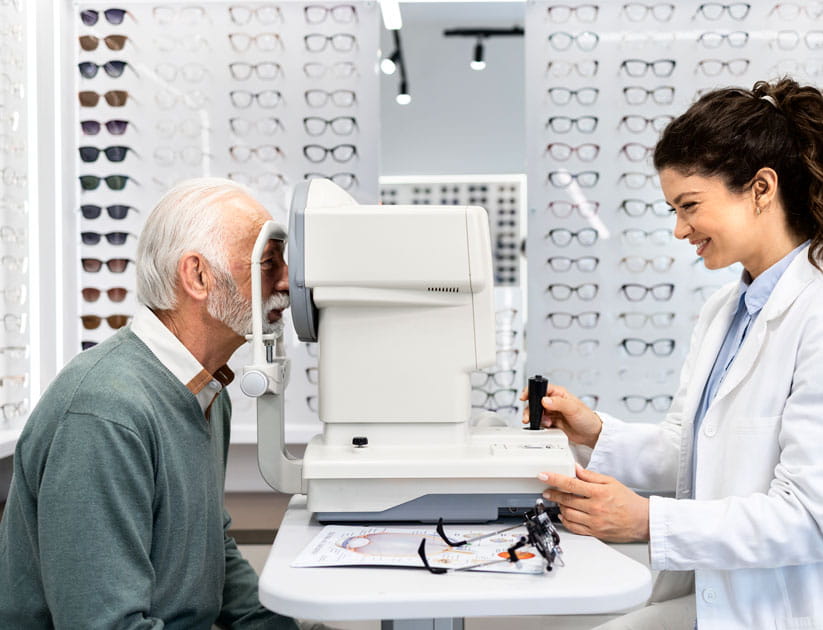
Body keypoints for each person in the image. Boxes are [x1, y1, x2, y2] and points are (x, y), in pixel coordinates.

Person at [526, 78, 823, 629]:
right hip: (711, 594)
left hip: (780, 609)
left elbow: (808, 517)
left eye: (689, 206)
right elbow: (694, 452)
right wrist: (593, 432)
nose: (679, 229)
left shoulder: (816, 312)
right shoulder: (724, 311)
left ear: (761, 188)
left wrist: (647, 521)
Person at [0, 178, 306, 628]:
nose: (285, 281)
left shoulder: (204, 391)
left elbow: (209, 550)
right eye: (266, 263)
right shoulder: (105, 414)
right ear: (198, 276)